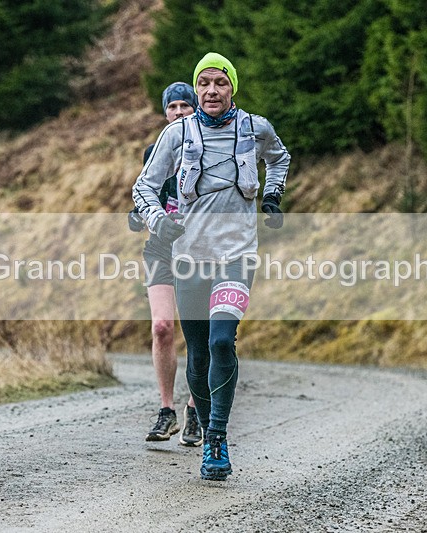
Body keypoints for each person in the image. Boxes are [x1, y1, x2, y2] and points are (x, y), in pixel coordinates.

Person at [132, 53, 290, 480]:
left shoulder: (255, 127)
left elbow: (279, 157)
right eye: (204, 83)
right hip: (188, 259)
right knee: (199, 353)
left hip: (236, 256)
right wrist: (158, 221)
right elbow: (143, 186)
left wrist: (272, 194)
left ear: (232, 87)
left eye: (220, 82)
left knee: (222, 341)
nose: (211, 91)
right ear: (196, 88)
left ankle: (216, 438)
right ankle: (203, 429)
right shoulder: (177, 133)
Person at [128, 82, 203, 446]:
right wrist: (137, 213)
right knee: (161, 327)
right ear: (165, 112)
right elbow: (148, 191)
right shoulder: (154, 150)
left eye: (185, 105)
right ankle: (166, 410)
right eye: (172, 107)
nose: (178, 112)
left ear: (195, 108)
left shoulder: (209, 148)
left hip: (199, 251)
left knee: (198, 333)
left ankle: (195, 410)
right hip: (160, 249)